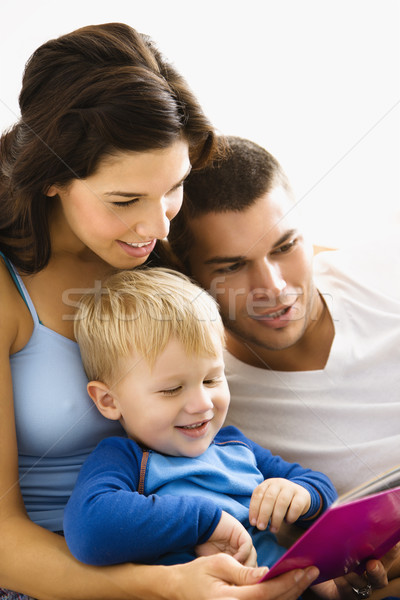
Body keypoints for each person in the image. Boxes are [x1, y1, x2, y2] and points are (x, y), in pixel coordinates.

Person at [0, 24, 321, 600]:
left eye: (173, 187)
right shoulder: (7, 291)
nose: (157, 227)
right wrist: (164, 586)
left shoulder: (160, 254)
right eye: (124, 201)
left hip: (195, 554)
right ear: (50, 180)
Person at [168, 136, 400, 597]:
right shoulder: (203, 401)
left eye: (285, 246)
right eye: (233, 266)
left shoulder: (381, 271)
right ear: (190, 277)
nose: (272, 287)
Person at [63, 267, 337, 574]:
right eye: (171, 389)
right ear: (109, 401)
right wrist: (206, 521)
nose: (202, 403)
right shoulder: (125, 459)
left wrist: (300, 496)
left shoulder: (235, 445)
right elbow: (89, 530)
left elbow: (321, 488)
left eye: (212, 379)